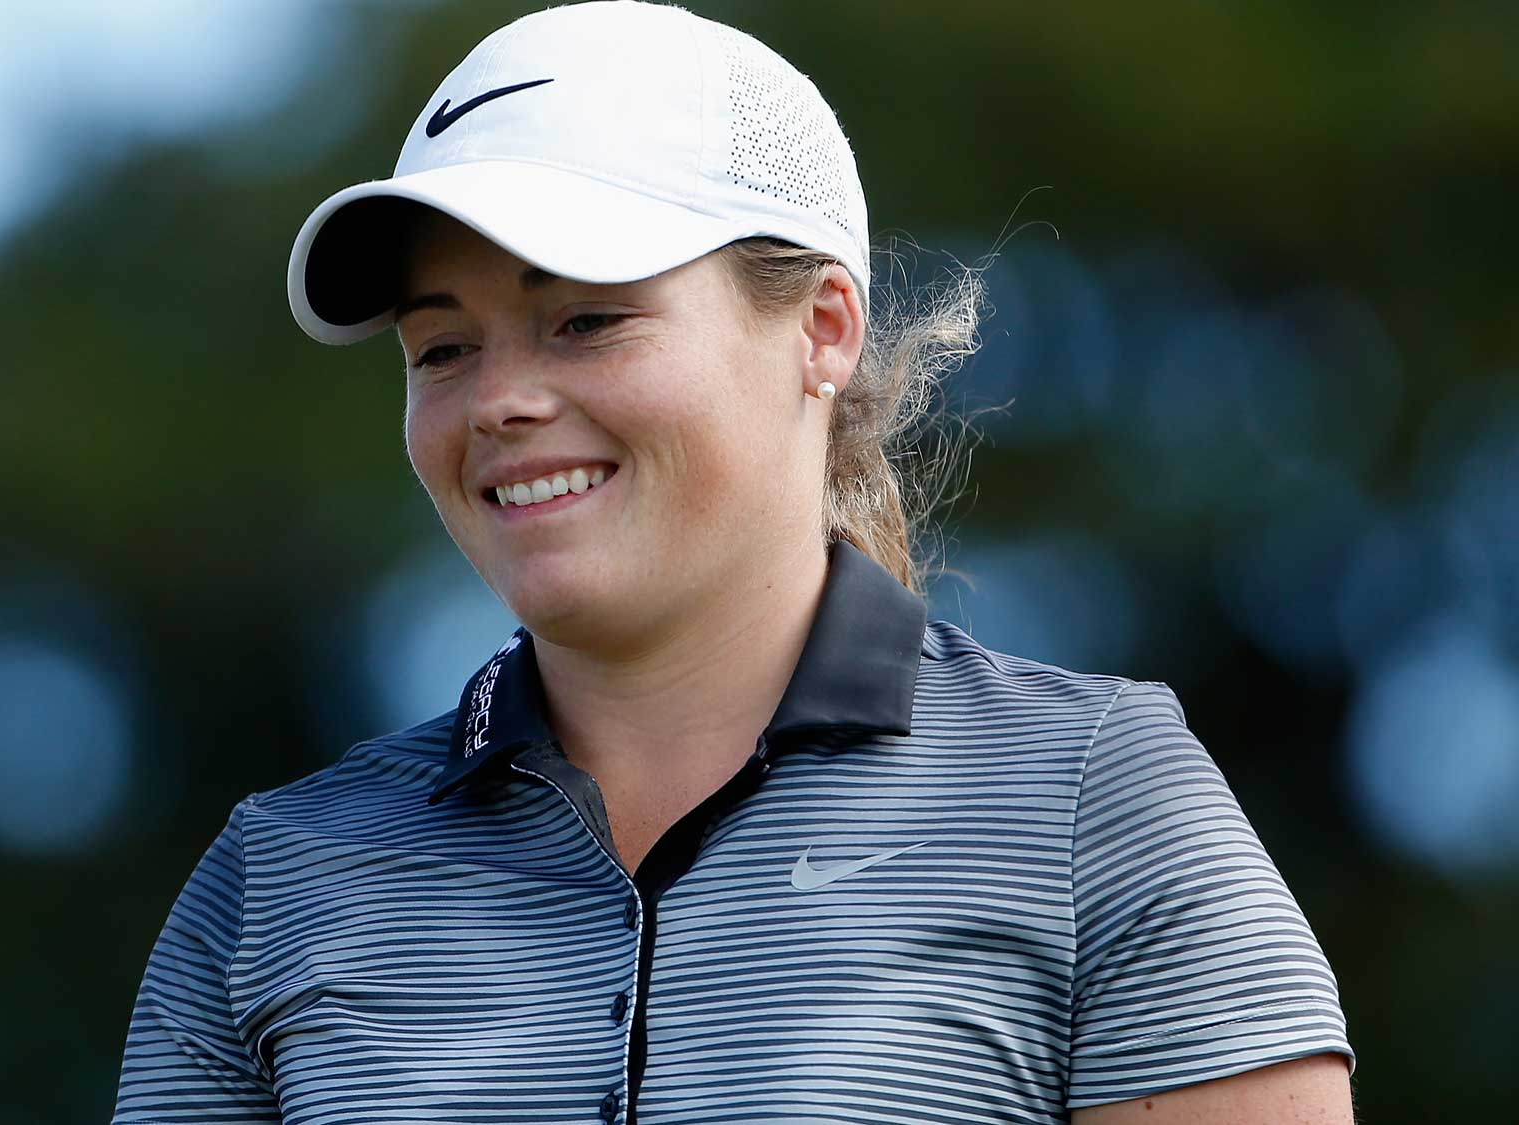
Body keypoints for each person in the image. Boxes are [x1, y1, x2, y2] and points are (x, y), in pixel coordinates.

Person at [112, 3, 1356, 1121]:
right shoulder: (276, 881)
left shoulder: (1095, 802)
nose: (497, 400)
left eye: (585, 319)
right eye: (440, 350)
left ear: (819, 332)